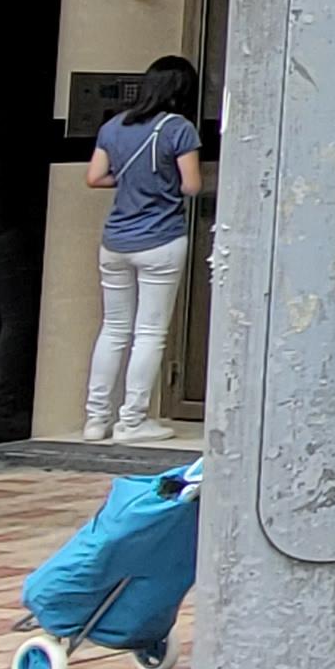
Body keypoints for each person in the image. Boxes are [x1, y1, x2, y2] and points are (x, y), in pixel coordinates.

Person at [85, 55, 205, 442]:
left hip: (115, 241)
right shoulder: (179, 128)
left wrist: (129, 181)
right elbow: (191, 185)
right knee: (150, 333)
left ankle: (95, 419)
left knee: (113, 329)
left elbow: (94, 177)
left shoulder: (113, 126)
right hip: (161, 239)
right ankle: (132, 420)